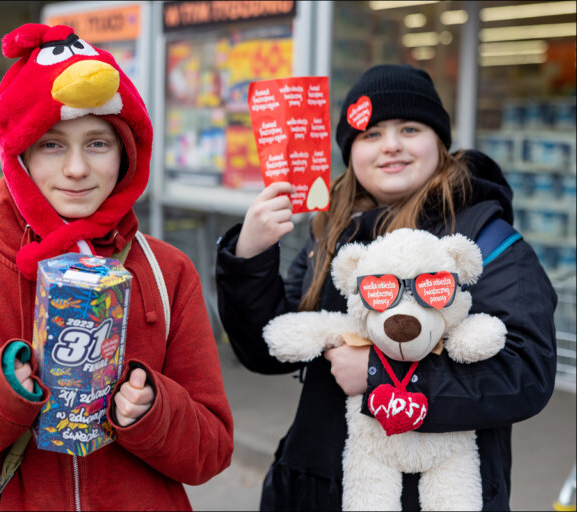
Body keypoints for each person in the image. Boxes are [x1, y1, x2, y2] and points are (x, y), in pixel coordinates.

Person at [0, 23, 233, 511]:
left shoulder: (168, 273)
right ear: (18, 154)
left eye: (98, 144)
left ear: (128, 153)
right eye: (52, 144)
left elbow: (212, 450)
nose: (78, 169)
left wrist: (154, 412)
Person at [216, 64, 557, 510]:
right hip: (310, 487)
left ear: (439, 141)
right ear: (350, 150)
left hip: (429, 493)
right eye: (371, 133)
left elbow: (526, 374)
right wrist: (250, 257)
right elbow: (265, 349)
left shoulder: (482, 239)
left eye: (410, 128)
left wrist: (381, 377)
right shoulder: (333, 231)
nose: (391, 145)